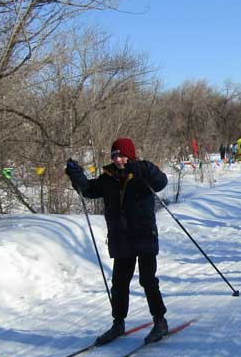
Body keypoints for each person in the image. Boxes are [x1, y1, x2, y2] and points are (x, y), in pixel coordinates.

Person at [65, 138, 171, 345]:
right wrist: (77, 176)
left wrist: (142, 168)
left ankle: (160, 321)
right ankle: (118, 323)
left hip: (144, 235)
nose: (118, 160)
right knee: (119, 284)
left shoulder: (142, 172)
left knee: (148, 280)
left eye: (122, 155)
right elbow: (88, 190)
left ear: (130, 156)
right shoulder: (108, 178)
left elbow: (161, 182)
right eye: (115, 156)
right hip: (121, 238)